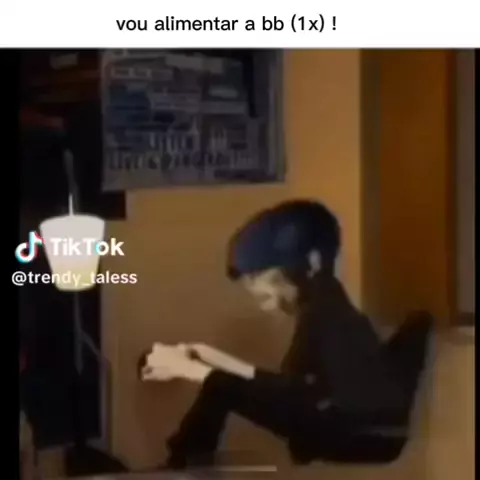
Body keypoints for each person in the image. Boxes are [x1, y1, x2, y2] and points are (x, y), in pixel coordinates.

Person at [141, 200, 431, 469]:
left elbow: (297, 396)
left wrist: (194, 371)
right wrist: (210, 357)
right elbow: (292, 388)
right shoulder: (323, 309)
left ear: (312, 262)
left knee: (220, 386)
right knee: (221, 385)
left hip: (356, 437)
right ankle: (183, 461)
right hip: (345, 426)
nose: (254, 289)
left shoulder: (329, 314)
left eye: (259, 276)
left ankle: (179, 464)